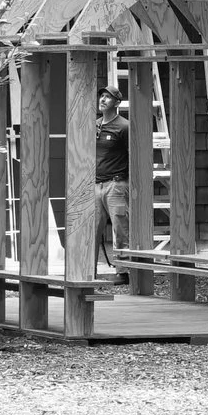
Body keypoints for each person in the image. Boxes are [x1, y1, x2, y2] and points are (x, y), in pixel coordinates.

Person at [93, 90, 131, 288]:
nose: (102, 99)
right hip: (95, 185)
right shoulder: (95, 125)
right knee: (92, 230)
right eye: (101, 96)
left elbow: (133, 154)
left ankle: (122, 272)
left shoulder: (124, 126)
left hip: (116, 185)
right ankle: (89, 270)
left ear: (117, 102)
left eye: (107, 97)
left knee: (120, 228)